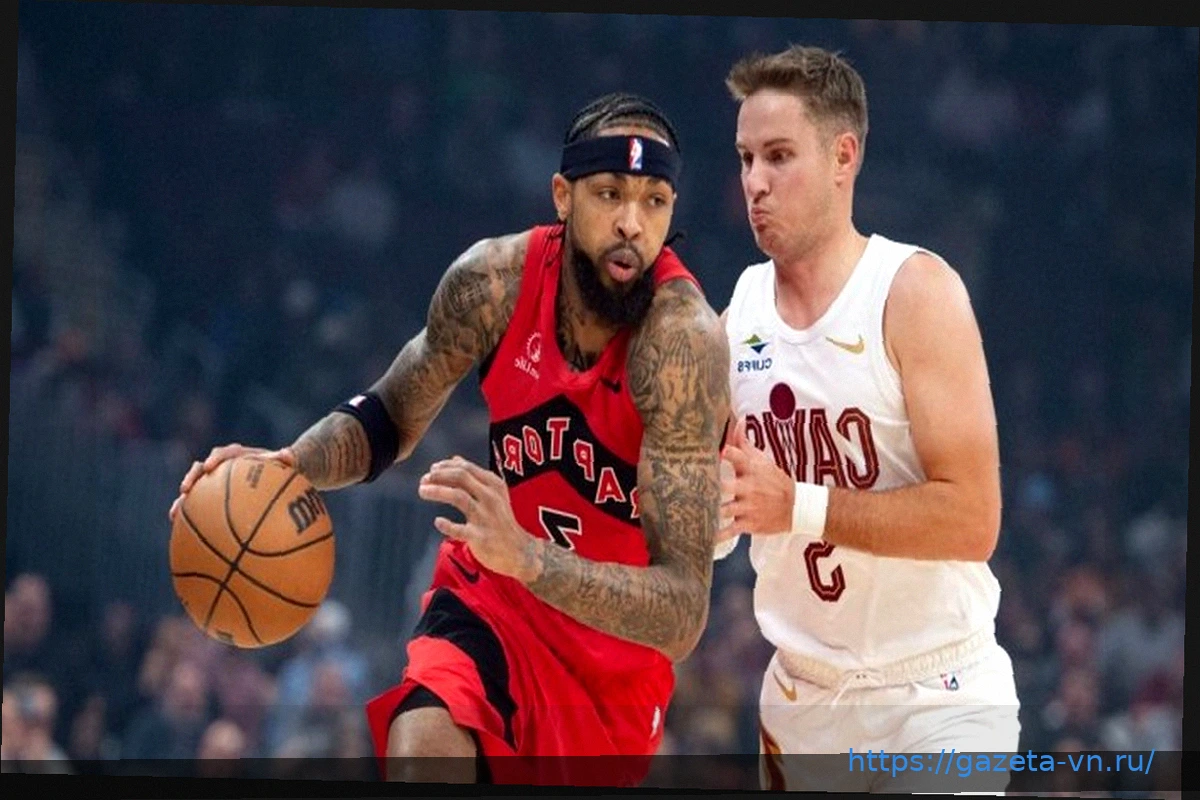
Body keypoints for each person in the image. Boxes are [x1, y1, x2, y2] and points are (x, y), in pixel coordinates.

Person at [169, 92, 730, 786]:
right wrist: (290, 465)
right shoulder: (492, 283)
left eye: (654, 201)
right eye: (611, 193)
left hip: (609, 670)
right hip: (491, 603)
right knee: (424, 744)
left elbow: (682, 611)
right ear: (563, 196)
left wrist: (530, 557)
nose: (631, 223)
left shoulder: (681, 344)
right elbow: (390, 414)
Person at [712, 45, 1020, 793]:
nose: (755, 181)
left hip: (937, 692)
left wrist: (797, 504)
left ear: (843, 156)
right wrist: (708, 512)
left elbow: (973, 519)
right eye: (746, 158)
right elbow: (719, 520)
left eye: (778, 156)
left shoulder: (915, 292)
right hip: (803, 696)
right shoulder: (735, 316)